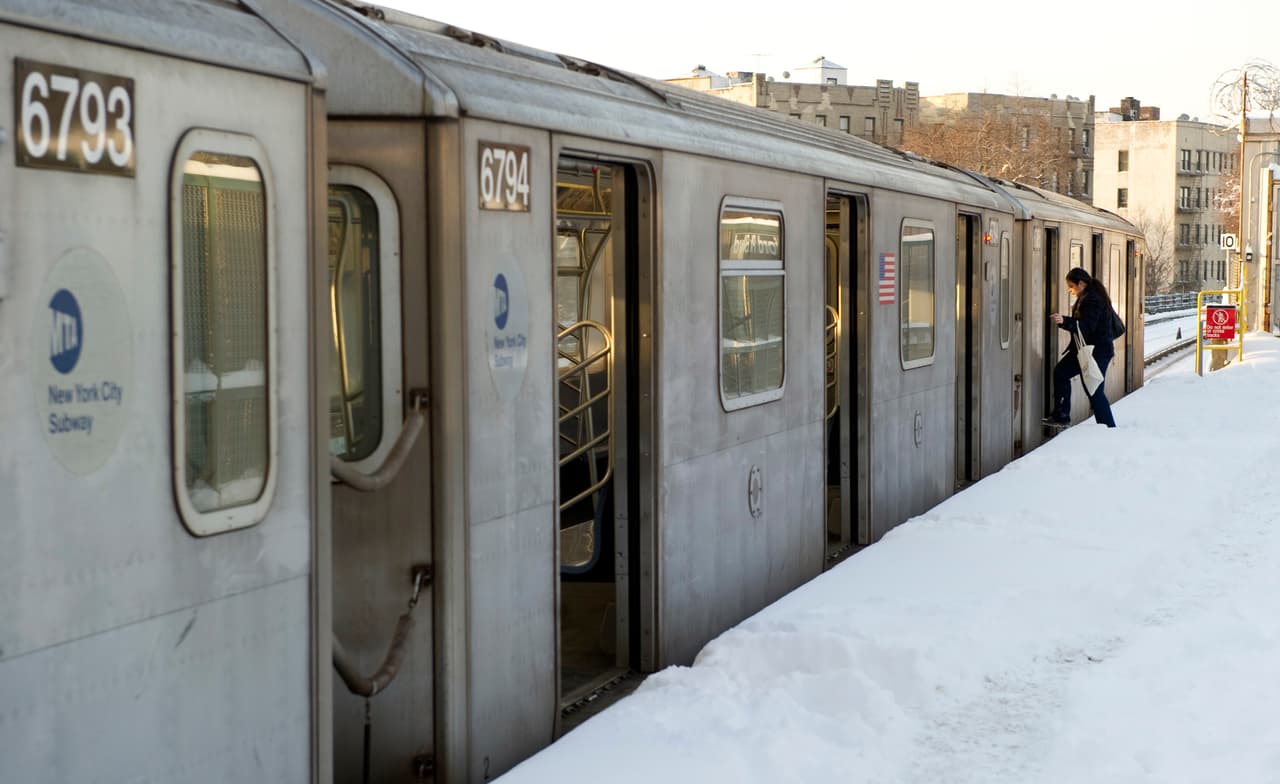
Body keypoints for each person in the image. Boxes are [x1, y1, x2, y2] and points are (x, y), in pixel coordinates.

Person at [1044, 267, 1116, 428]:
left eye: (1072, 286)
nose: (1070, 290)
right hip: (1085, 350)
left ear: (1081, 283)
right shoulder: (1087, 296)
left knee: (1094, 389)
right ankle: (1061, 414)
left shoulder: (1093, 299)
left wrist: (1064, 321)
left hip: (1097, 352)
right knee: (1061, 372)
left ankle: (1109, 427)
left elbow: (1087, 326)